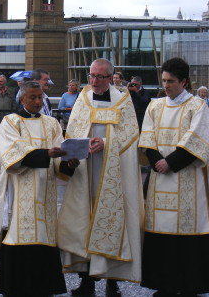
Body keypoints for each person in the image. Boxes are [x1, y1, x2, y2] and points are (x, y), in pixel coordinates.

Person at [57, 58, 143, 297]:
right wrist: (80, 144)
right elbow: (73, 129)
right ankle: (86, 282)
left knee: (111, 222)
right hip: (86, 172)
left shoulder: (123, 99)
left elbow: (130, 133)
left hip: (113, 172)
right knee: (84, 223)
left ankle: (112, 281)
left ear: (110, 77)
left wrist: (105, 142)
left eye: (100, 77)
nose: (94, 81)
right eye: (91, 76)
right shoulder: (82, 99)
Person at [0, 81, 79, 297]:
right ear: (21, 99)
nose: (37, 101)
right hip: (19, 189)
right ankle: (17, 289)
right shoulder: (10, 123)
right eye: (32, 97)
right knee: (21, 235)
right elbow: (11, 154)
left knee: (44, 235)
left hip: (45, 191)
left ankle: (44, 288)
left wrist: (68, 162)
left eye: (40, 97)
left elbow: (60, 152)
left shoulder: (51, 123)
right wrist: (46, 154)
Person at [138, 58, 209, 296]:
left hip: (186, 177)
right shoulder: (155, 106)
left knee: (186, 231)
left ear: (184, 82)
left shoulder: (197, 106)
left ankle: (189, 285)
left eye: (171, 81)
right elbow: (147, 135)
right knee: (160, 231)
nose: (166, 85)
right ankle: (164, 284)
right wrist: (157, 160)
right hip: (160, 178)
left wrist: (171, 161)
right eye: (164, 80)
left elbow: (198, 138)